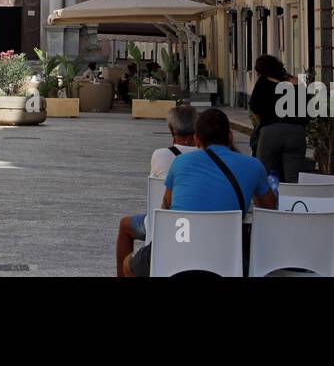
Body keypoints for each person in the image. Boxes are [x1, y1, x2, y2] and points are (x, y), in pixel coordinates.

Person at [121, 108, 276, 277]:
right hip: (227, 258)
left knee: (128, 266)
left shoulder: (180, 163)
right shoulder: (253, 166)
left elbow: (166, 209)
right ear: (230, 136)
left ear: (196, 139)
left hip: (178, 252)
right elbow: (269, 210)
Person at [114, 106, 199, 276]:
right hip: (203, 227)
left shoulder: (161, 155)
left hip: (164, 226)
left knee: (125, 225)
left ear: (171, 130)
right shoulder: (207, 157)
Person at [249, 55, 308, 182]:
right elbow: (308, 109)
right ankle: (293, 200)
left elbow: (254, 107)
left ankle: (269, 201)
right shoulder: (295, 82)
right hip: (296, 132)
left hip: (270, 132)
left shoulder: (263, 83)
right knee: (294, 178)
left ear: (261, 71)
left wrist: (263, 121)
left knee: (265, 176)